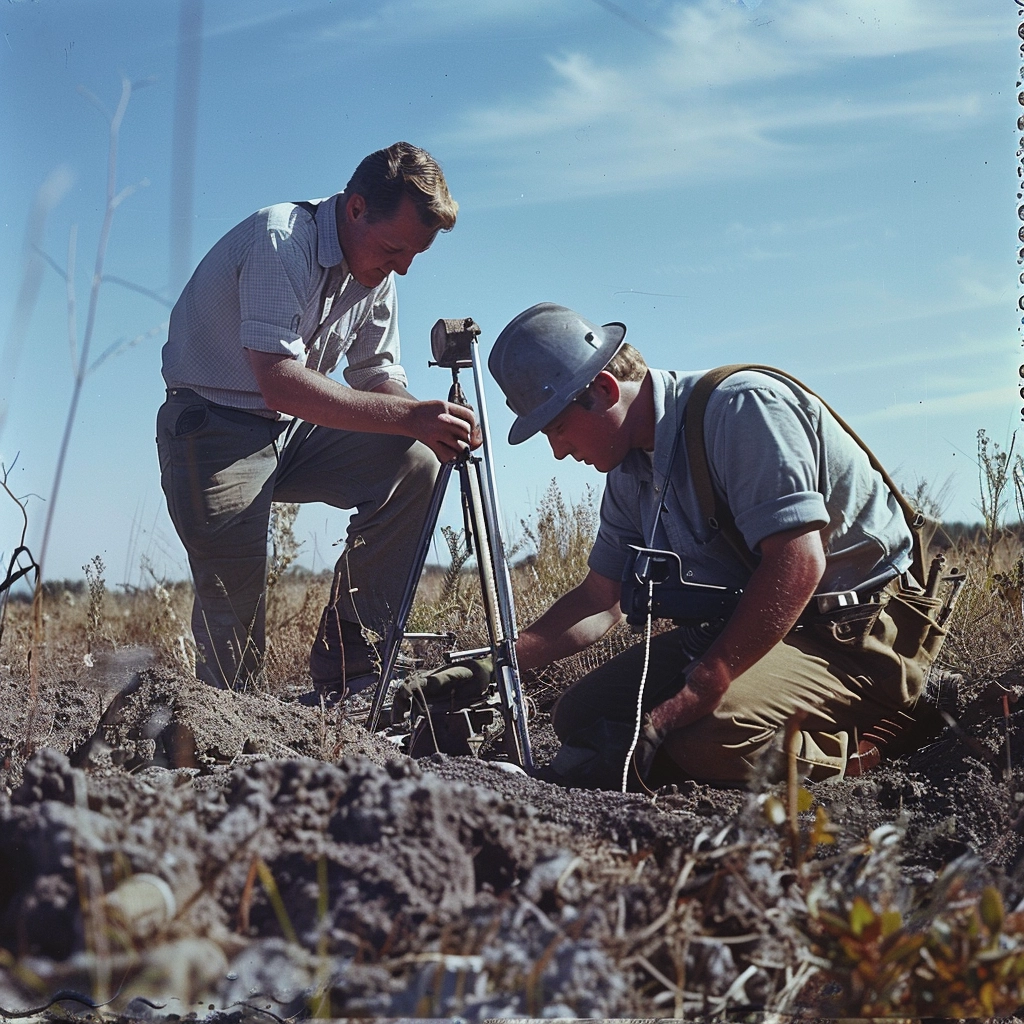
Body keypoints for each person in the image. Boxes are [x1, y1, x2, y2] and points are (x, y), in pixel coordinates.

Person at [488, 302, 948, 788]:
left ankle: (872, 742)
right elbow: (601, 601)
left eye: (557, 428)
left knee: (707, 735)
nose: (558, 451)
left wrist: (703, 686)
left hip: (853, 634)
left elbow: (797, 561)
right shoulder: (629, 469)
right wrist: (497, 662)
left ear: (603, 389)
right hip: (766, 629)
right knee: (578, 718)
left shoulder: (741, 409)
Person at [157, 142, 478, 697]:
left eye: (414, 255)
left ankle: (351, 659)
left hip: (292, 428)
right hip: (213, 427)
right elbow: (278, 378)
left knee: (417, 461)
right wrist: (409, 414)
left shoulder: (377, 273)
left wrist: (430, 421)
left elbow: (377, 374)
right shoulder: (280, 240)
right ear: (355, 209)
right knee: (234, 611)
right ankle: (226, 738)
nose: (402, 266)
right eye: (395, 247)